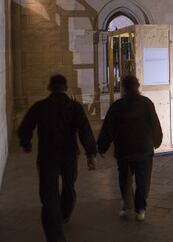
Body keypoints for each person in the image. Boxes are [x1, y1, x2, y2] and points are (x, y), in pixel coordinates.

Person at [18, 74, 97, 242]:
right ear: (66, 88)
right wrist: (90, 154)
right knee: (69, 186)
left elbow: (25, 127)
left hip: (47, 156)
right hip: (69, 155)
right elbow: (85, 131)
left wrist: (26, 143)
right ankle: (65, 214)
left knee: (49, 195)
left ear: (49, 87)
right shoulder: (75, 107)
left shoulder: (40, 107)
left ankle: (55, 235)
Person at [97, 75, 162, 221]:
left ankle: (127, 207)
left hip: (124, 150)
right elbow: (155, 124)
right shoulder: (146, 103)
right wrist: (157, 141)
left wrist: (102, 147)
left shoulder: (117, 106)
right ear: (138, 86)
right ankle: (140, 209)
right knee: (143, 180)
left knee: (125, 180)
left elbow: (108, 128)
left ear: (124, 88)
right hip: (144, 149)